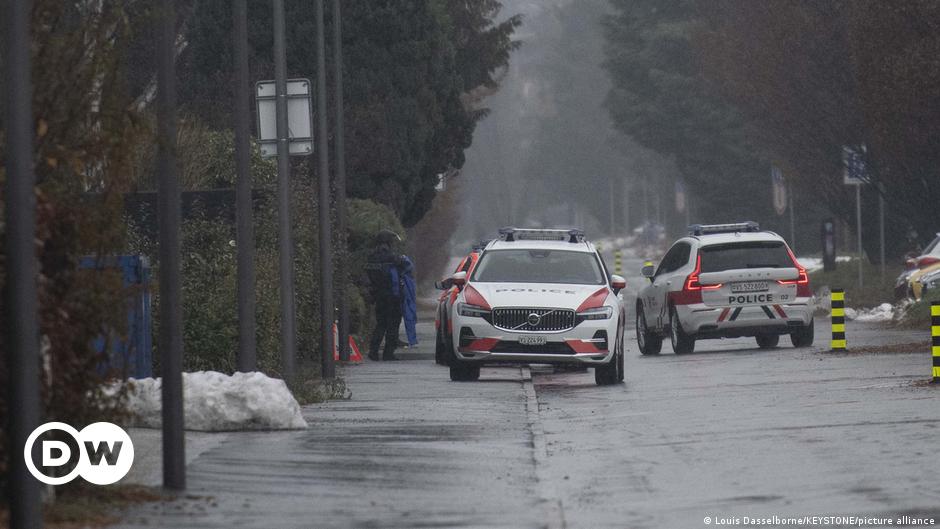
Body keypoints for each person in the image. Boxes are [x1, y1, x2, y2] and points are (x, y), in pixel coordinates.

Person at [365, 229, 406, 361]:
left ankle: (373, 351)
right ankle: (388, 353)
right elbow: (402, 266)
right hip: (392, 295)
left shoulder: (371, 257)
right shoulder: (391, 257)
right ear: (388, 242)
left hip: (378, 295)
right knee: (393, 324)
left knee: (381, 323)